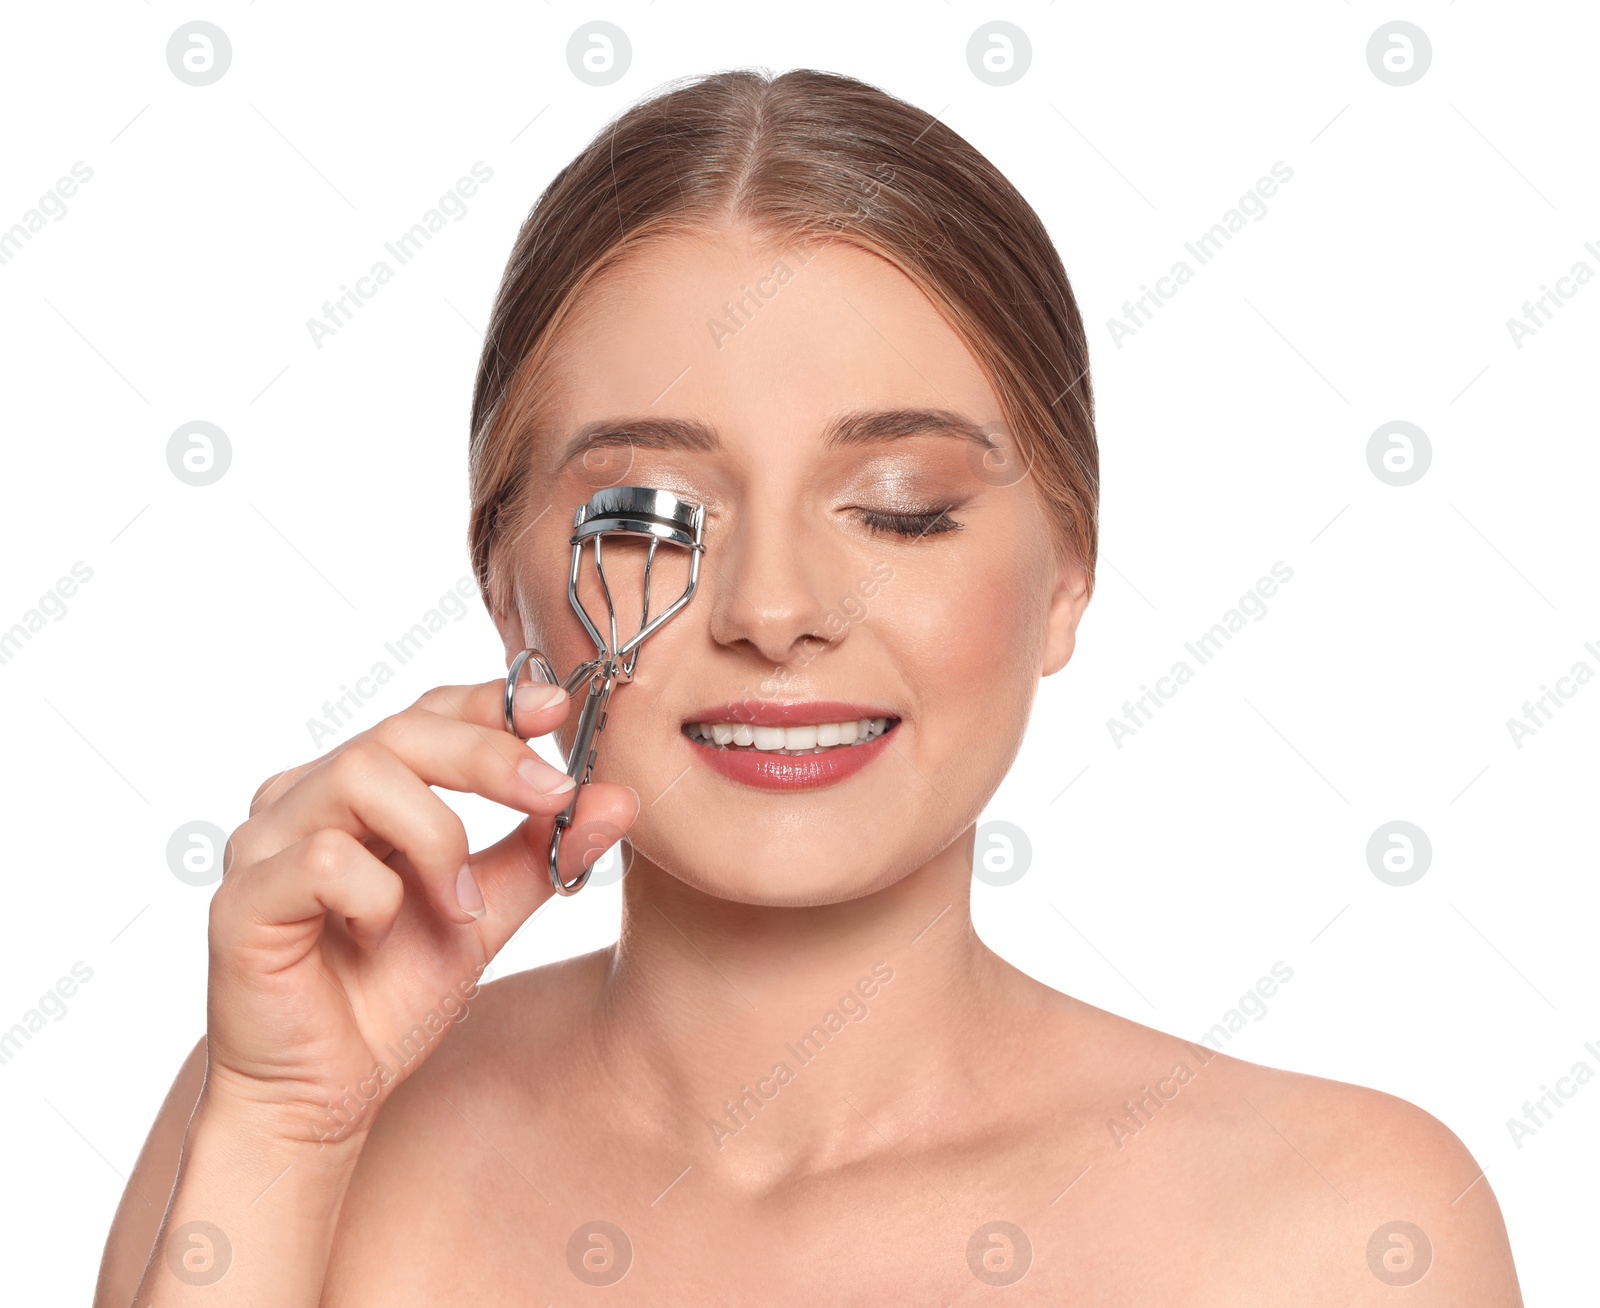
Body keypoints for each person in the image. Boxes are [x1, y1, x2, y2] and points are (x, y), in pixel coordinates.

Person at [96, 68, 1522, 1304]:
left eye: (899, 509)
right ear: (507, 589)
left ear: (1067, 577)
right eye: (651, 514)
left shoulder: (1343, 1229)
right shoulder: (290, 1117)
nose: (774, 614)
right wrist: (281, 1133)